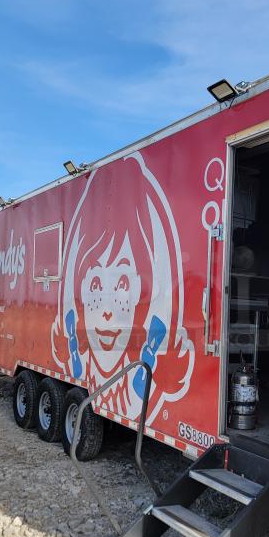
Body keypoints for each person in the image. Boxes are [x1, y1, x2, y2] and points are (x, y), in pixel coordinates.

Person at [51, 150, 194, 425]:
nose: (107, 312)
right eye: (95, 286)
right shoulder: (84, 353)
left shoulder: (135, 378)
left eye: (122, 287)